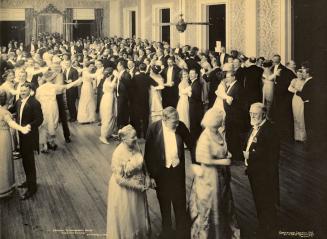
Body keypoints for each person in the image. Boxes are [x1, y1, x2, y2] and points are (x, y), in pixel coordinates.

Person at [144, 107, 195, 239]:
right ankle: (166, 231)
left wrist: (197, 164)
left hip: (177, 171)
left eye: (178, 122)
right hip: (161, 173)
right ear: (164, 120)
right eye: (174, 123)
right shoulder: (153, 129)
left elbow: (192, 145)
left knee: (180, 202)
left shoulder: (180, 126)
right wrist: (150, 175)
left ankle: (182, 233)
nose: (177, 125)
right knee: (164, 202)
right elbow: (148, 154)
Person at [189, 109, 240, 239]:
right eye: (220, 120)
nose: (222, 122)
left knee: (224, 203)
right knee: (211, 206)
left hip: (221, 176)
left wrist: (226, 154)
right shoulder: (205, 137)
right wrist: (224, 161)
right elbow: (203, 159)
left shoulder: (217, 133)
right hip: (209, 178)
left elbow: (222, 149)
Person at [107, 125, 151, 239]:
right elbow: (119, 179)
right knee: (127, 217)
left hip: (138, 185)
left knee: (137, 214)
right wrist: (136, 186)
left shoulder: (135, 145)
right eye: (133, 137)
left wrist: (147, 177)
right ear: (124, 139)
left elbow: (143, 162)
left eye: (136, 136)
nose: (136, 138)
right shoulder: (118, 153)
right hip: (124, 190)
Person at [243, 103, 280, 239]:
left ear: (263, 114)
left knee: (266, 203)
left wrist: (250, 155)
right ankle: (264, 226)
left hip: (264, 175)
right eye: (251, 113)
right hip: (255, 172)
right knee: (259, 202)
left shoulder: (270, 130)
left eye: (255, 114)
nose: (252, 116)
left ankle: (268, 230)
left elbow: (271, 155)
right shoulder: (256, 127)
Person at [15, 82, 43, 200]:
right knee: (25, 160)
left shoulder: (34, 103)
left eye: (24, 91)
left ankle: (32, 187)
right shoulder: (18, 102)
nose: (22, 93)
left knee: (29, 161)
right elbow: (14, 111)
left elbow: (39, 119)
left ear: (30, 91)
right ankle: (28, 181)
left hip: (30, 136)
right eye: (21, 91)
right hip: (21, 135)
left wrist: (29, 126)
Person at [0, 90, 30, 198]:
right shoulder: (4, 112)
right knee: (4, 160)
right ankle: (5, 187)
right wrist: (22, 128)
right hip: (3, 139)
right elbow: (11, 123)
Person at [223, 71, 245, 162]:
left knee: (234, 136)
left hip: (234, 116)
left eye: (228, 77)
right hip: (230, 115)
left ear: (234, 77)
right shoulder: (231, 85)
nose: (227, 79)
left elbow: (238, 102)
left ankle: (237, 156)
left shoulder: (237, 87)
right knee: (231, 135)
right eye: (226, 77)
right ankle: (232, 153)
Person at [130, 63, 151, 139]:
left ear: (139, 68)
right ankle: (145, 135)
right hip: (145, 100)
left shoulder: (135, 77)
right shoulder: (148, 77)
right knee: (145, 118)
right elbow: (155, 84)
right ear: (145, 69)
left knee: (137, 118)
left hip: (136, 101)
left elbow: (131, 89)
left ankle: (138, 134)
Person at [296, 67, 314, 150]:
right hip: (307, 104)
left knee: (309, 123)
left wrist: (297, 92)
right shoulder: (310, 81)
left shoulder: (311, 81)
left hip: (309, 105)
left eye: (303, 72)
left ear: (307, 73)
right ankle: (308, 143)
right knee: (308, 123)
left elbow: (304, 94)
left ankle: (309, 145)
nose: (302, 74)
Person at [99, 68, 117, 144]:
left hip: (109, 98)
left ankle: (108, 133)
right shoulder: (108, 82)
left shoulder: (107, 80)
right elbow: (112, 85)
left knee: (112, 116)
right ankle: (103, 136)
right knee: (107, 117)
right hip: (108, 100)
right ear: (110, 75)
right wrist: (116, 76)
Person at [288, 69, 306, 142]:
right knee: (296, 117)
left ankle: (303, 137)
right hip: (295, 99)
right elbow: (289, 88)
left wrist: (298, 90)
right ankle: (297, 137)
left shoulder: (305, 81)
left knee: (301, 117)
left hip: (302, 99)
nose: (299, 75)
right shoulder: (294, 80)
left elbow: (304, 90)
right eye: (298, 74)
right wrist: (296, 90)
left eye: (301, 74)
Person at [189, 69, 204, 145]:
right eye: (190, 73)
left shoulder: (197, 84)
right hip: (194, 107)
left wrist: (190, 94)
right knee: (194, 125)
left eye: (192, 73)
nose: (190, 75)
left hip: (196, 108)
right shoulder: (193, 83)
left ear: (196, 75)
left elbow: (197, 96)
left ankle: (194, 142)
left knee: (195, 125)